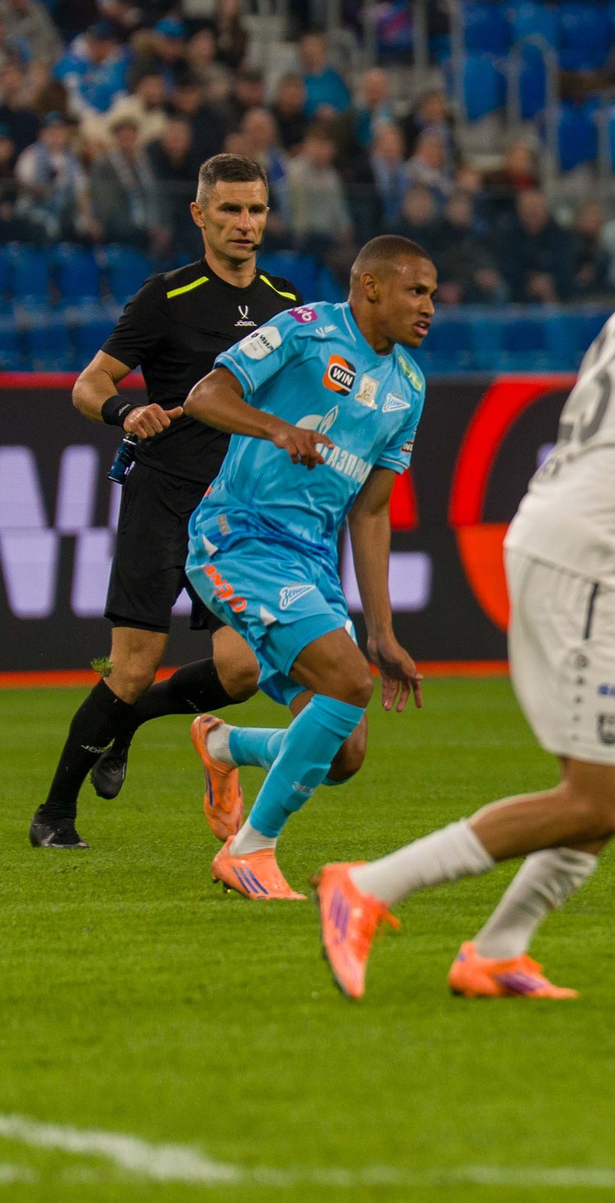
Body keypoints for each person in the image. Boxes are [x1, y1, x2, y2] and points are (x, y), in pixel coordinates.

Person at [313, 127, 615, 1003]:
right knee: (594, 795)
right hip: (591, 551)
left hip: (585, 539)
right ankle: (368, 886)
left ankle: (498, 950)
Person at [29, 152, 306, 850]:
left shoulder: (287, 303)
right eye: (230, 209)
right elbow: (88, 384)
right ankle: (54, 815)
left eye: (256, 209)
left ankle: (130, 724)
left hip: (237, 512)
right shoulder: (166, 297)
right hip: (164, 499)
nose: (245, 223)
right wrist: (125, 412)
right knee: (130, 668)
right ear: (199, 215)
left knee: (242, 672)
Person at [179, 235, 436, 900]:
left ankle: (223, 746)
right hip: (241, 536)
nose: (429, 307)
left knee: (345, 753)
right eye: (416, 290)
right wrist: (275, 427)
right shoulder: (305, 331)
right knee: (347, 685)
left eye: (432, 294)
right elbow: (205, 396)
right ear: (370, 286)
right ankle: (249, 851)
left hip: (312, 560)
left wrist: (382, 631)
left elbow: (370, 513)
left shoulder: (409, 387)